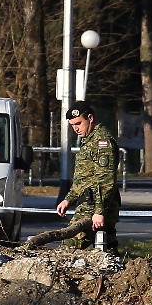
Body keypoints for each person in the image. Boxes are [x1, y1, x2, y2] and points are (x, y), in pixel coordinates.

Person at [55, 100, 121, 254]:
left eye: (78, 123)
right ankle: (119, 275)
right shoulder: (90, 140)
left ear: (90, 118)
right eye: (72, 125)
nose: (75, 128)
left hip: (94, 206)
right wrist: (69, 199)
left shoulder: (102, 142)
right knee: (108, 251)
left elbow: (105, 180)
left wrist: (99, 211)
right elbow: (85, 178)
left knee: (68, 248)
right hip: (94, 204)